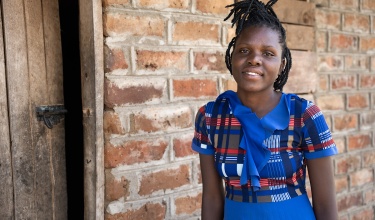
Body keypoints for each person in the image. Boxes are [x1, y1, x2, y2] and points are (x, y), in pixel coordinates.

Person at [191, 0, 339, 219]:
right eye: (244, 50)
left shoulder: (304, 116)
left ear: (282, 65)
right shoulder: (211, 118)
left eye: (268, 53)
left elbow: (326, 205)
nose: (254, 60)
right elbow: (212, 198)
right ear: (232, 57)